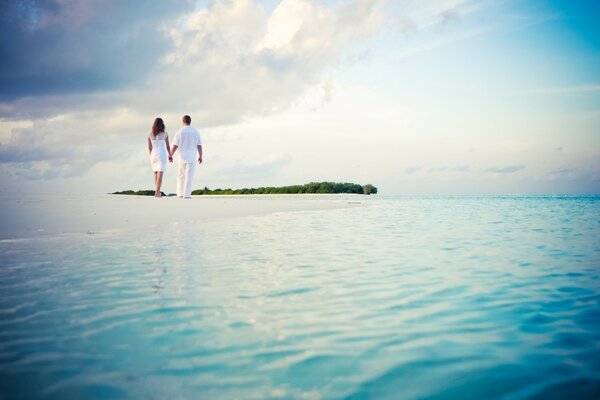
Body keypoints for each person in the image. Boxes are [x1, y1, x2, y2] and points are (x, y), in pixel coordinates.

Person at [169, 115, 203, 198]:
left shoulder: (179, 132)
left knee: (181, 175)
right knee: (189, 176)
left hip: (181, 156)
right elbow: (199, 145)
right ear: (190, 121)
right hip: (191, 156)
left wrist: (171, 155)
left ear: (183, 121)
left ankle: (180, 193)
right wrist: (200, 156)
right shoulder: (196, 132)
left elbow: (175, 145)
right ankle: (187, 194)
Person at [147, 117, 171, 197]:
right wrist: (170, 154)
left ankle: (157, 191)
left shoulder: (150, 134)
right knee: (160, 172)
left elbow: (149, 147)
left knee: (155, 173)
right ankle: (157, 192)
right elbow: (168, 146)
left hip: (153, 154)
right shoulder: (165, 134)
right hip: (162, 154)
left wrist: (151, 155)